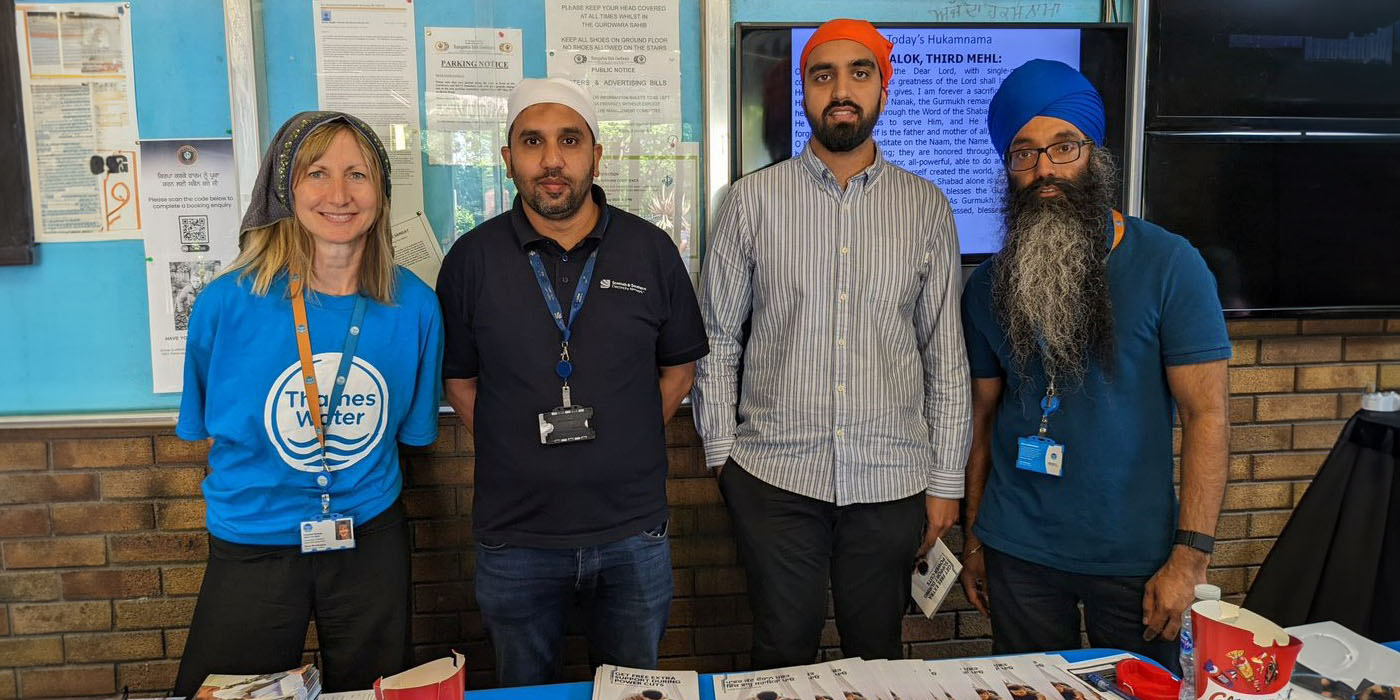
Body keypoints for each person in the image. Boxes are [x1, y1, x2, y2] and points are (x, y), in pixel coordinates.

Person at [691, 19, 972, 669]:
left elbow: (945, 357)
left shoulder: (926, 207)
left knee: (876, 654)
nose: (841, 90)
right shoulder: (750, 203)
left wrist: (945, 482)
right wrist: (722, 457)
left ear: (882, 89)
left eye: (859, 73)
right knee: (781, 648)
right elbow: (718, 337)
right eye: (823, 75)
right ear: (804, 91)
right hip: (774, 478)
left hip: (892, 482)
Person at [957, 59, 1231, 672]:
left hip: (1135, 561)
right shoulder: (988, 287)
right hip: (1017, 550)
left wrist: (1190, 559)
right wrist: (975, 539)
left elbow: (1207, 415)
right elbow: (982, 419)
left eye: (1063, 147)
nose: (1044, 169)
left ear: (1093, 154)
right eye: (1023, 153)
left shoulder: (1170, 265)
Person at [436, 78, 708, 686]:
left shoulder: (650, 250)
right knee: (525, 691)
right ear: (508, 160)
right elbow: (459, 381)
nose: (551, 159)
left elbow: (680, 370)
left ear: (596, 155)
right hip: (516, 539)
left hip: (632, 532)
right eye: (532, 142)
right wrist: (513, 444)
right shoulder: (471, 260)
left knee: (635, 691)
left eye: (569, 140)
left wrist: (627, 438)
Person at [173, 111, 444, 696]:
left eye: (358, 175)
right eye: (316, 174)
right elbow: (201, 426)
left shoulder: (417, 307)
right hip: (253, 538)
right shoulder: (224, 306)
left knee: (380, 690)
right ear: (283, 189)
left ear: (381, 191)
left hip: (369, 536)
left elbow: (414, 432)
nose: (340, 195)